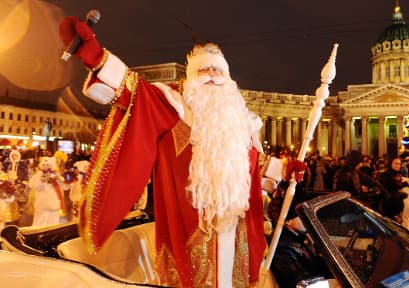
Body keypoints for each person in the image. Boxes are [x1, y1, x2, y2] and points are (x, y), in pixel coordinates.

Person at [58, 16, 283, 287]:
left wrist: (283, 168)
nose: (211, 75)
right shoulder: (172, 106)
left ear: (228, 77)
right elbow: (133, 92)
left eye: (217, 70)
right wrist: (95, 56)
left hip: (236, 233)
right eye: (204, 70)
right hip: (189, 232)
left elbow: (252, 164)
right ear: (190, 76)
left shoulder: (240, 120)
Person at [269, 198, 331, 288]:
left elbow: (315, 264)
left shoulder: (298, 236)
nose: (306, 220)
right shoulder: (282, 246)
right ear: (288, 221)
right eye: (301, 217)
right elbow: (296, 281)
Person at [28, 157, 68, 227]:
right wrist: (41, 181)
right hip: (41, 204)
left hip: (53, 204)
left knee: (53, 223)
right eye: (44, 165)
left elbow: (65, 187)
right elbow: (34, 186)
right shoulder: (38, 175)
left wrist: (59, 178)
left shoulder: (55, 175)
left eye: (48, 165)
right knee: (39, 223)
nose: (46, 166)